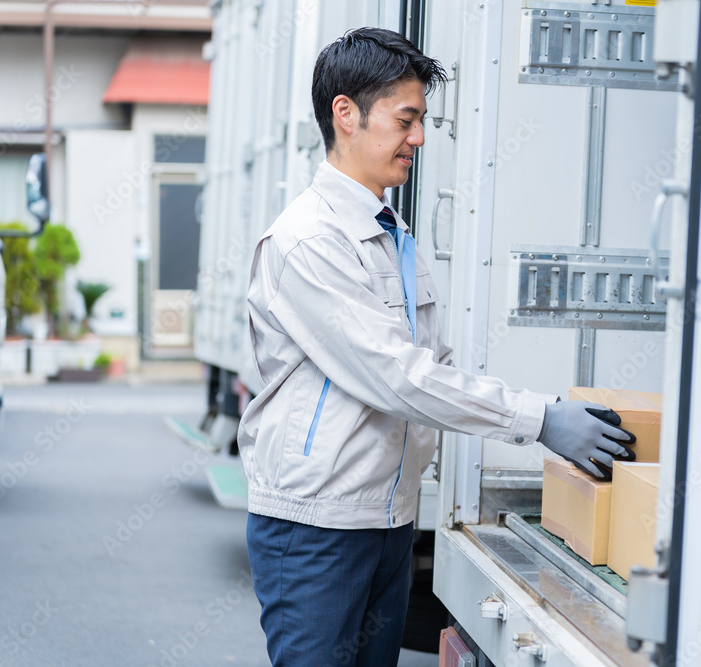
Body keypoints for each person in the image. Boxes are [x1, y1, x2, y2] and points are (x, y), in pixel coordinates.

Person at [240, 27, 634, 667]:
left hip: (385, 521)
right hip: (316, 527)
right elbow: (397, 376)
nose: (419, 139)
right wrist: (536, 419)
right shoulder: (308, 241)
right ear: (346, 114)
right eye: (406, 119)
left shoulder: (389, 231)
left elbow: (436, 366)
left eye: (420, 120)